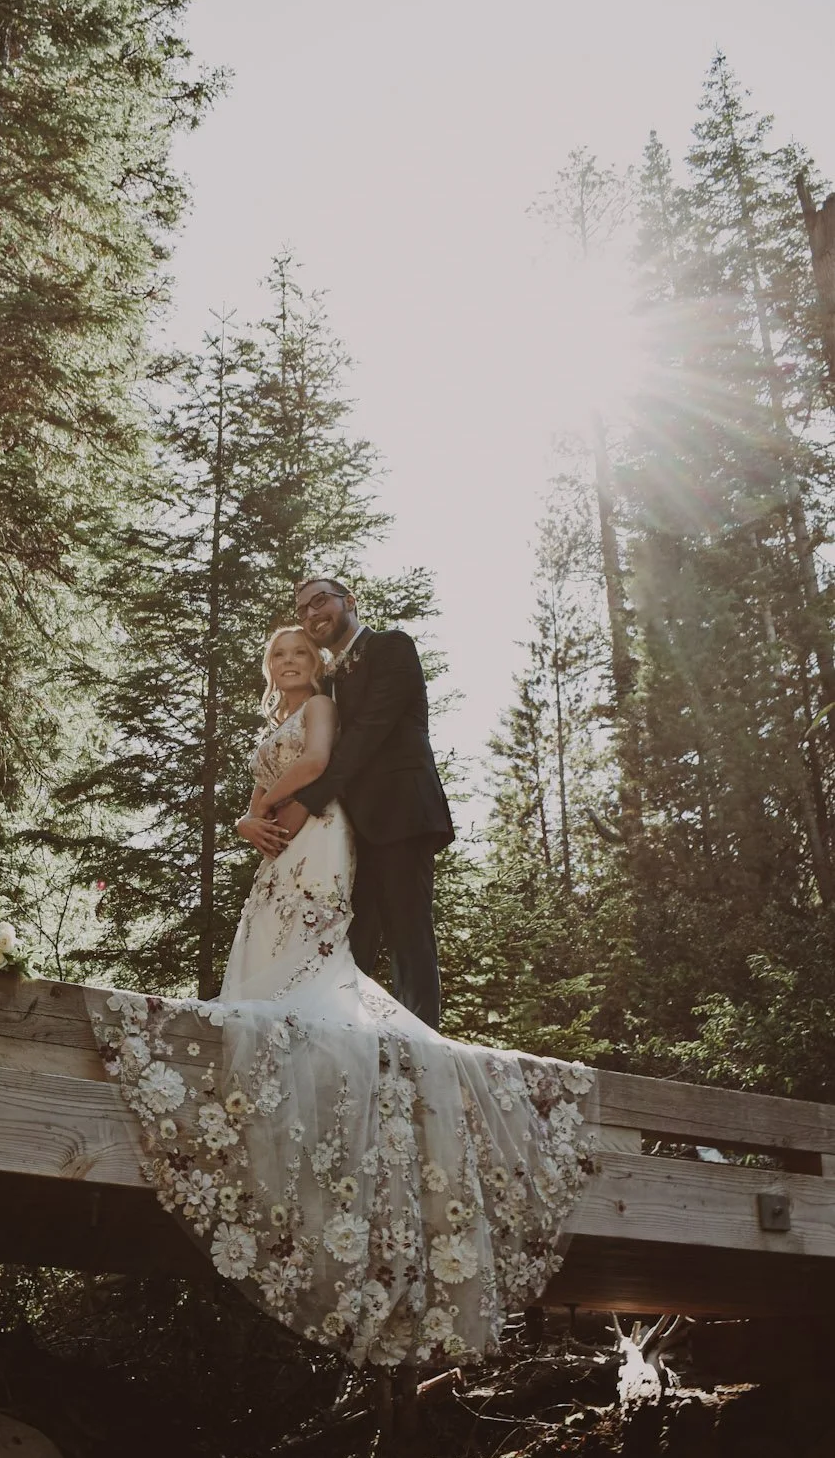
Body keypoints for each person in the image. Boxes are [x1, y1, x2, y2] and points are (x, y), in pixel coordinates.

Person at [88, 614, 595, 1372]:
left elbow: (322, 762)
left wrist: (259, 808)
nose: (290, 661)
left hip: (316, 829)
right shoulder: (279, 714)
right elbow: (271, 778)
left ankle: (344, 1036)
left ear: (316, 662)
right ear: (268, 667)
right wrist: (247, 815)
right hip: (283, 834)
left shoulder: (323, 707)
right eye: (278, 654)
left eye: (300, 652)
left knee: (315, 941)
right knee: (265, 937)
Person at [249, 577, 453, 1029]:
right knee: (347, 943)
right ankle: (347, 1040)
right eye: (302, 609)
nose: (311, 613)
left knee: (408, 935)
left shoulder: (391, 648)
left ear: (350, 602)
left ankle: (421, 1045)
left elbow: (366, 737)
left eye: (320, 601)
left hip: (401, 814)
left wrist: (306, 801)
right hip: (350, 829)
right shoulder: (330, 682)